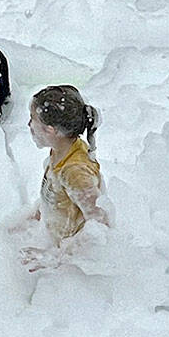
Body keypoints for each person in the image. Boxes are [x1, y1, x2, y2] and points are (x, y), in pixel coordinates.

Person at [23, 85, 108, 247]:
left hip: (71, 260)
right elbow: (54, 201)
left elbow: (100, 226)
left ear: (50, 130)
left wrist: (53, 258)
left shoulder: (74, 171)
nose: (29, 125)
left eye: (32, 118)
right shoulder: (60, 151)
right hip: (54, 242)